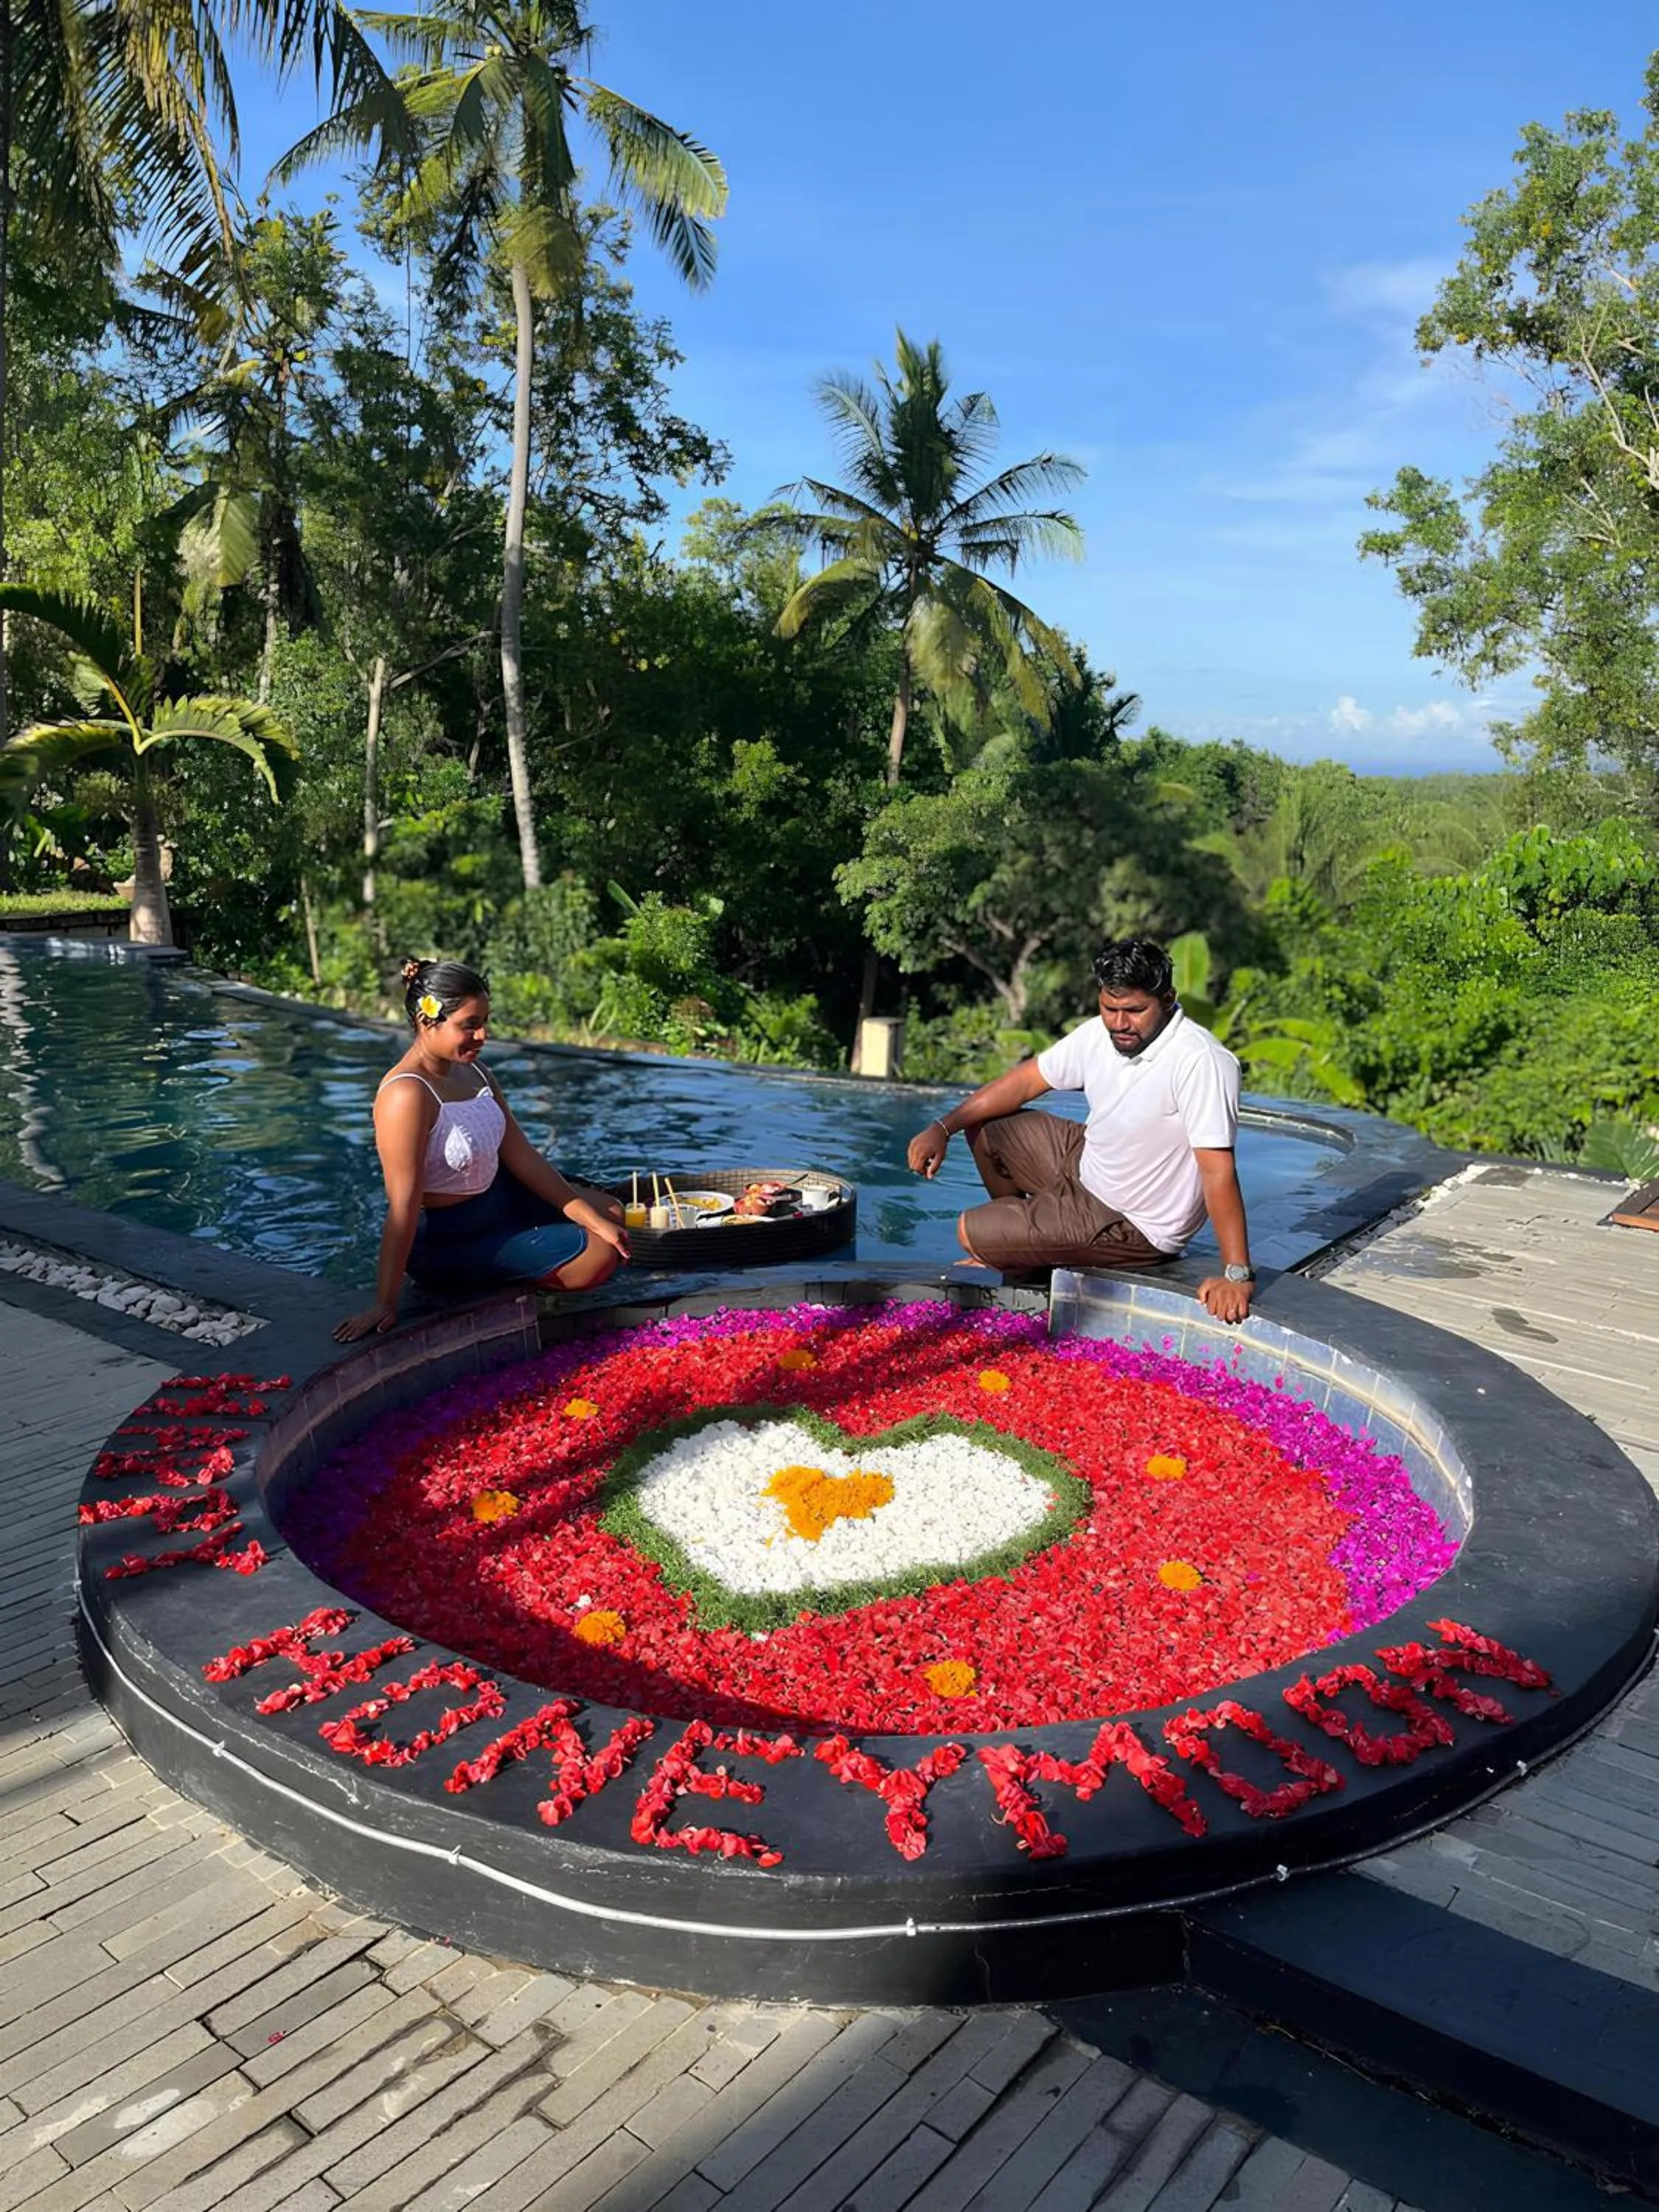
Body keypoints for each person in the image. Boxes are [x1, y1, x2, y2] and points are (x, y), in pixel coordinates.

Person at [905, 936, 1256, 1324]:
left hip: (1131, 1221)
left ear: (1169, 998)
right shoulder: (1099, 1035)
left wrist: (1236, 1274)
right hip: (1088, 1162)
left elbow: (1218, 1171)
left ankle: (1020, 1247)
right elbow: (1024, 1082)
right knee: (986, 1126)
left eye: (1136, 1010)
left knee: (969, 1232)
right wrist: (943, 1127)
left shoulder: (1201, 1060)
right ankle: (1027, 1249)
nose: (1120, 1023)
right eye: (1110, 1008)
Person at [334, 958, 630, 1343]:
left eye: (484, 1022)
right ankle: (496, 1269)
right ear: (428, 1023)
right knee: (597, 1260)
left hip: (500, 1201)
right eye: (469, 1025)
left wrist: (591, 1219)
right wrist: (385, 1303)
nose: (482, 1035)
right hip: (448, 1236)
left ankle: (533, 1248)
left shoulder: (475, 1072)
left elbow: (522, 1156)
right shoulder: (406, 1095)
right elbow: (402, 1206)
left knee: (611, 1214)